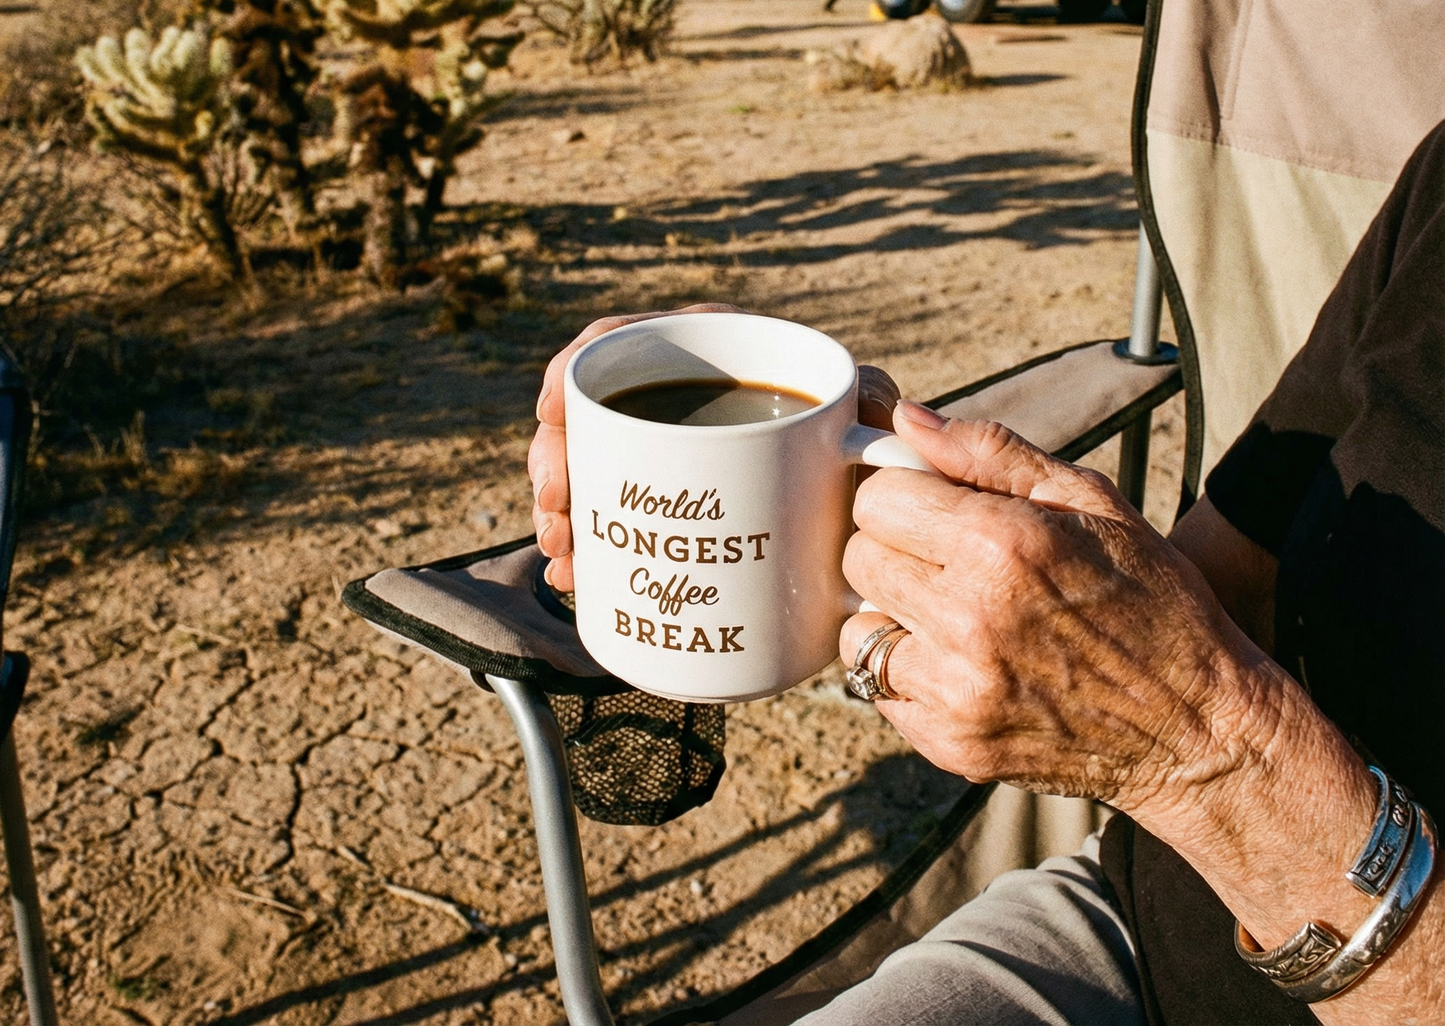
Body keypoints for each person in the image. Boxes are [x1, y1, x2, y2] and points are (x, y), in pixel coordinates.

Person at [527, 125, 1445, 1025]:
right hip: (1139, 924)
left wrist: (1207, 751)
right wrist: (771, 469)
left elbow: (1191, 712)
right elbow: (1222, 576)